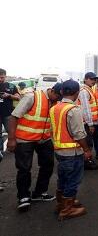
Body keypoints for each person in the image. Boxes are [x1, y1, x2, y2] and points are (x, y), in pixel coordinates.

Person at [7, 82, 62, 211]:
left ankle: (39, 193)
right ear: (52, 91)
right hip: (25, 139)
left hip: (44, 139)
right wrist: (11, 139)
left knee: (48, 164)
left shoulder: (57, 101)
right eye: (58, 96)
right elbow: (13, 117)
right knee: (24, 168)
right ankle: (23, 197)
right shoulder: (32, 97)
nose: (59, 100)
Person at [50, 79, 92, 220]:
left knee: (62, 178)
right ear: (77, 93)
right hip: (72, 153)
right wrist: (86, 150)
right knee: (73, 180)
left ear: (61, 92)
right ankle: (67, 210)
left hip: (59, 151)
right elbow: (79, 134)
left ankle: (61, 204)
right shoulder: (73, 110)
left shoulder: (54, 108)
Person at [77, 72, 98, 170]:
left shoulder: (88, 90)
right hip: (86, 123)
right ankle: (87, 162)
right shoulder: (84, 91)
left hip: (86, 122)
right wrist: (90, 124)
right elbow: (86, 109)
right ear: (86, 79)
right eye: (91, 79)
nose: (94, 81)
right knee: (87, 143)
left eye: (95, 79)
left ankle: (86, 161)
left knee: (88, 142)